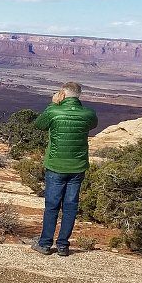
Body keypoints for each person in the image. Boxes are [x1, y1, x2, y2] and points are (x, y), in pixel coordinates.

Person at [31, 81, 99, 256]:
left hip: (55, 166)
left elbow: (39, 124)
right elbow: (93, 125)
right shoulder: (89, 114)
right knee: (70, 206)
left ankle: (45, 244)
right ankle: (63, 245)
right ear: (79, 95)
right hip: (77, 167)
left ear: (62, 93)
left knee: (52, 205)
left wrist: (53, 104)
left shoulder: (54, 111)